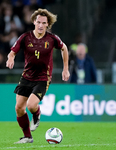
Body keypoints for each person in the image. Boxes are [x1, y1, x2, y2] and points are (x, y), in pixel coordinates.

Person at [6, 8, 70, 144]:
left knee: (31, 105)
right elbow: (12, 51)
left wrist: (66, 69)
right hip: (26, 77)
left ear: (48, 24)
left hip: (43, 78)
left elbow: (64, 48)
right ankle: (28, 137)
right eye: (38, 22)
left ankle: (36, 114)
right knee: (18, 108)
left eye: (44, 23)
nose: (41, 25)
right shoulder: (25, 37)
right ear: (34, 22)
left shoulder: (52, 39)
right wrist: (10, 58)